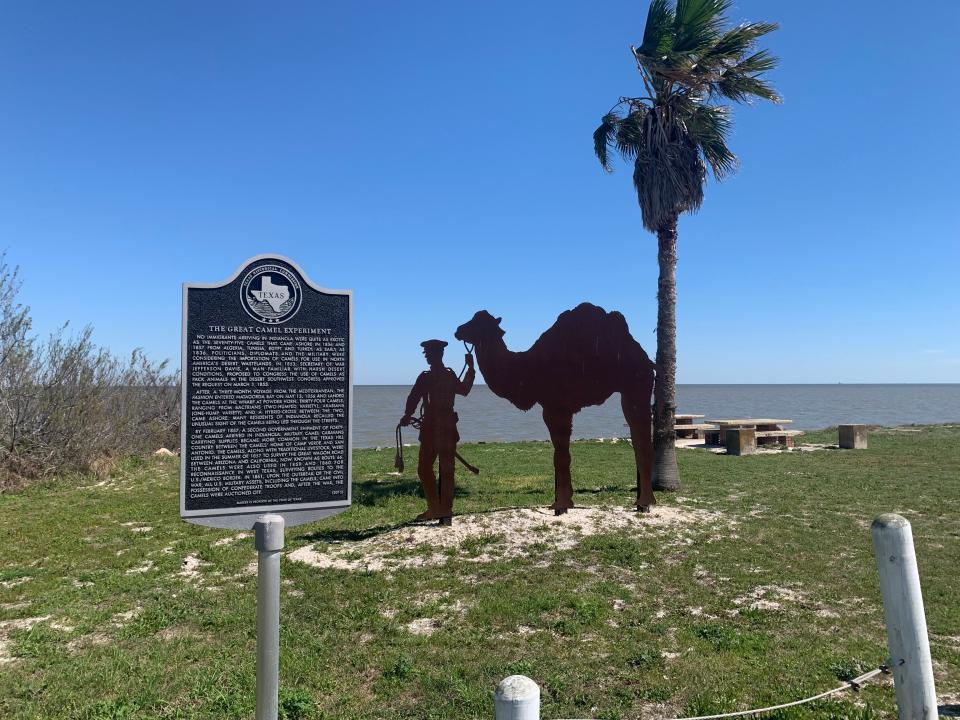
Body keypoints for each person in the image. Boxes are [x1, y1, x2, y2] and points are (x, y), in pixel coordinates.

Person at [399, 339, 474, 524]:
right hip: (442, 428)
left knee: (430, 469)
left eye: (429, 353)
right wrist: (408, 415)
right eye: (426, 354)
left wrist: (471, 368)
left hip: (435, 428)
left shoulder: (430, 376)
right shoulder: (444, 375)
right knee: (432, 470)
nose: (427, 356)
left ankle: (440, 510)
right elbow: (415, 397)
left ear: (437, 354)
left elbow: (414, 397)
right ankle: (439, 510)